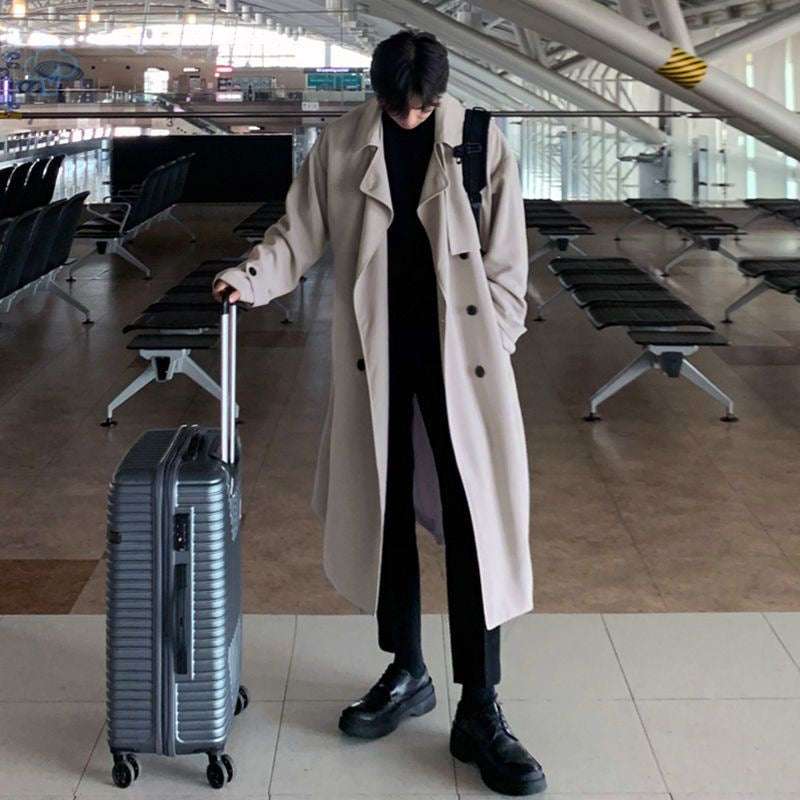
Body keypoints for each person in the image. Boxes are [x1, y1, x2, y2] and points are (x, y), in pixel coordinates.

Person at [212, 30, 545, 797]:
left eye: (421, 107)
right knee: (386, 515)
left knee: (475, 528)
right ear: (379, 93)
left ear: (439, 94)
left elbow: (507, 265)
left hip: (464, 367)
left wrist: (493, 341)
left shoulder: (480, 143)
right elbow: (298, 234)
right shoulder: (340, 144)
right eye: (398, 108)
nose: (409, 118)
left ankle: (481, 708)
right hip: (379, 360)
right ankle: (407, 670)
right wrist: (249, 277)